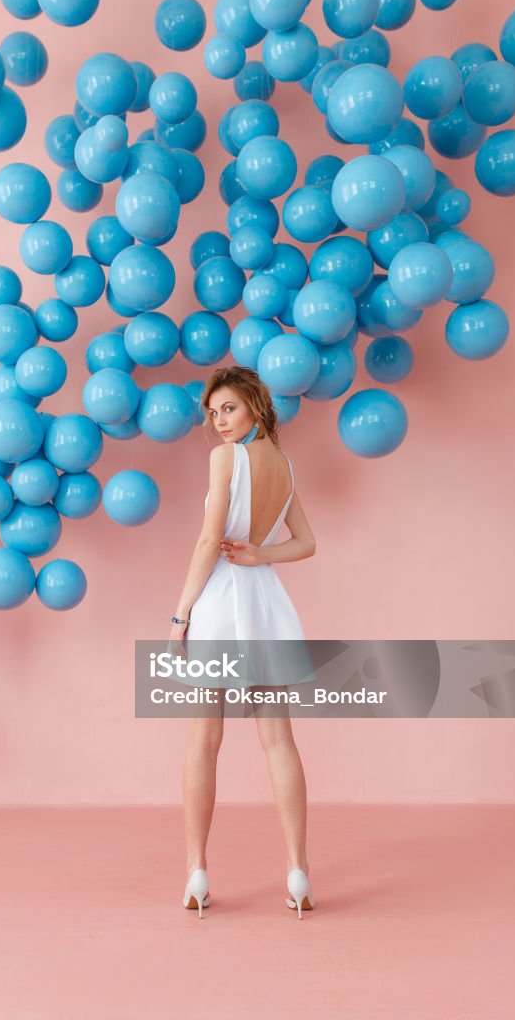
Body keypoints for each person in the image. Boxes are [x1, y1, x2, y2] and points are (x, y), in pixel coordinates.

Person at [170, 366, 317, 919]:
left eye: (228, 408)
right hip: (266, 605)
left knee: (203, 743)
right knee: (278, 741)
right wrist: (261, 555)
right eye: (213, 413)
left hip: (220, 607)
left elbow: (210, 539)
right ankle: (298, 872)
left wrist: (180, 614)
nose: (219, 422)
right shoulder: (284, 463)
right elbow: (304, 543)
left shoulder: (224, 459)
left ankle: (197, 870)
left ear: (254, 403)